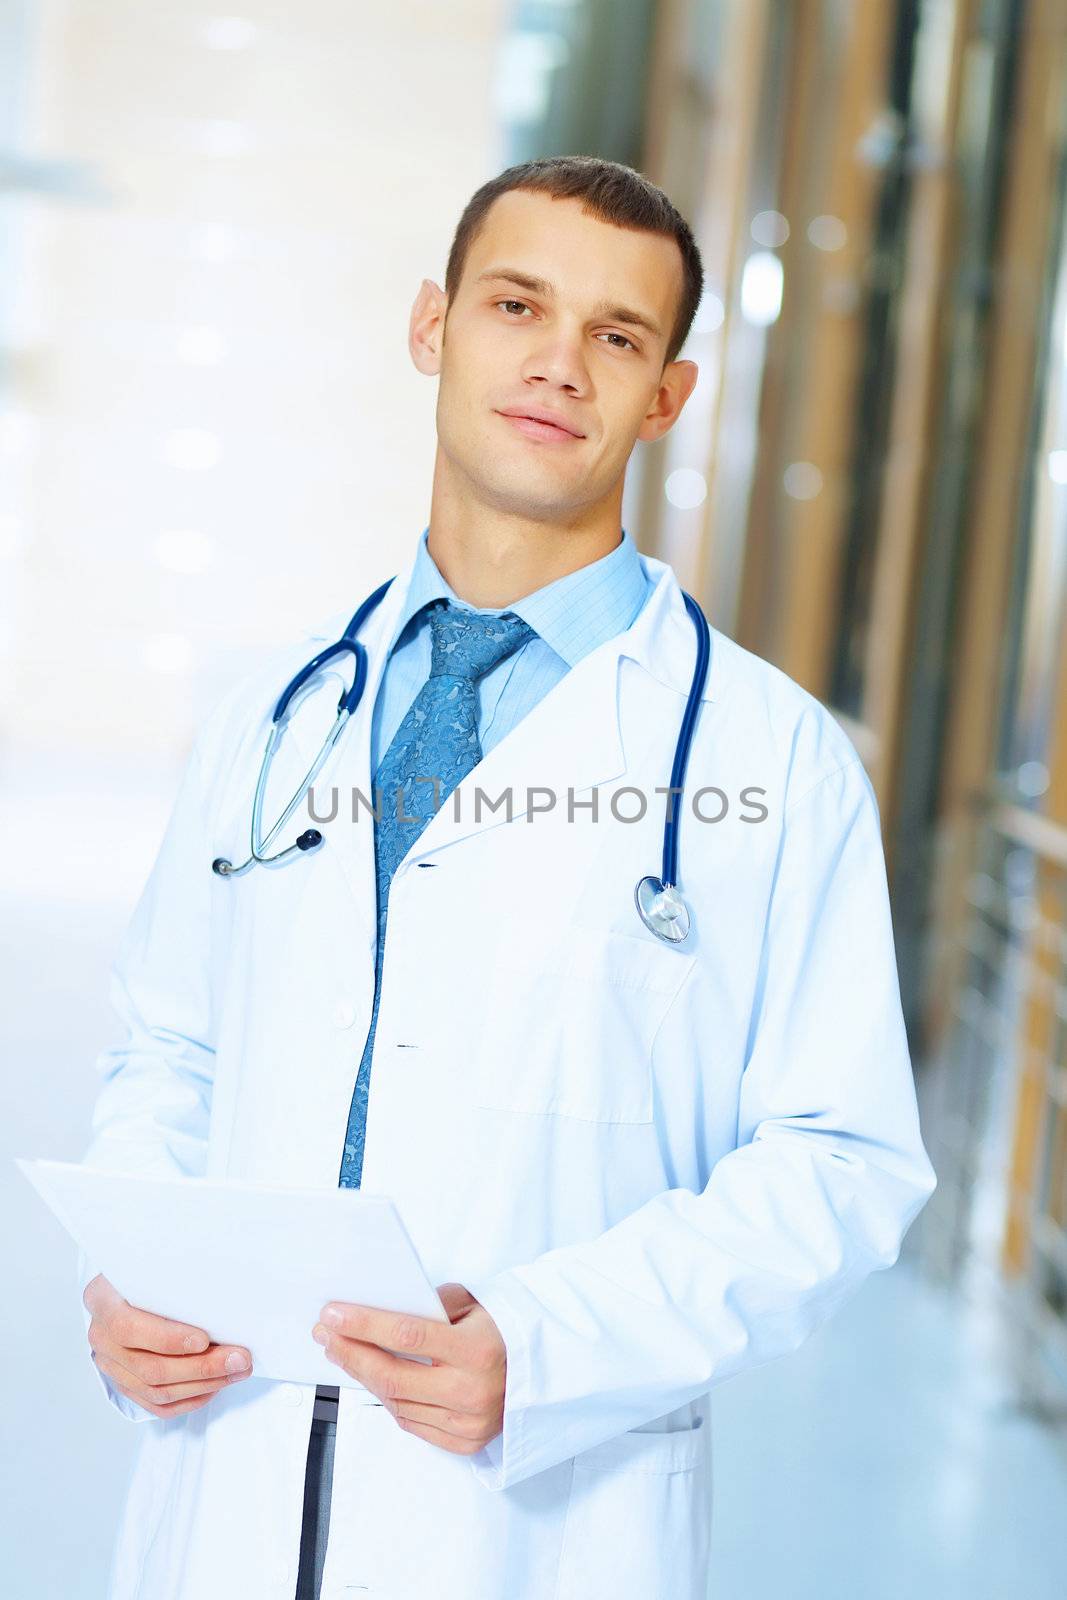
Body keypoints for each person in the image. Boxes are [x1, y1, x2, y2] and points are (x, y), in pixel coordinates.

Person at [78, 155, 936, 1600]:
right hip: (220, 1494)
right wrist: (135, 1271)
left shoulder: (770, 760)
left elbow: (839, 1165)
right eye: (516, 305)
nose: (557, 364)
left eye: (616, 335)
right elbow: (169, 1045)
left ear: (668, 395)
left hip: (537, 1527)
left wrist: (552, 1346)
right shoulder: (274, 713)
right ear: (433, 327)